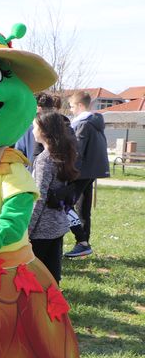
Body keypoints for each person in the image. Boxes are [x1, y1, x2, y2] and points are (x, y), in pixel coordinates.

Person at [29, 111, 79, 282]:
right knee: (52, 274)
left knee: (35, 275)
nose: (32, 130)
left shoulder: (44, 159)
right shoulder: (64, 154)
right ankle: (55, 304)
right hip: (58, 223)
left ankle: (40, 306)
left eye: (34, 127)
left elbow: (39, 197)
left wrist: (27, 230)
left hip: (42, 228)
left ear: (43, 130)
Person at [64, 90, 109, 258]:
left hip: (80, 172)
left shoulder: (82, 123)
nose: (71, 110)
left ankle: (82, 242)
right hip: (91, 171)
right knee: (83, 208)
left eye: (72, 106)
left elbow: (77, 151)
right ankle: (84, 243)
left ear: (80, 105)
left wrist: (68, 171)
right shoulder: (95, 122)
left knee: (65, 204)